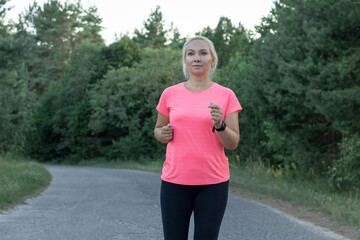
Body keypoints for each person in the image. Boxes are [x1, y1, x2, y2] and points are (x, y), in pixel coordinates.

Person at [154, 36, 242, 240]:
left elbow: (233, 143)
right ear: (185, 60)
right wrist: (162, 133)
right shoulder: (170, 93)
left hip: (213, 184)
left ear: (212, 59)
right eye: (191, 53)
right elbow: (158, 130)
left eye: (203, 53)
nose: (197, 58)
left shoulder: (226, 95)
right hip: (174, 182)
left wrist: (220, 125)